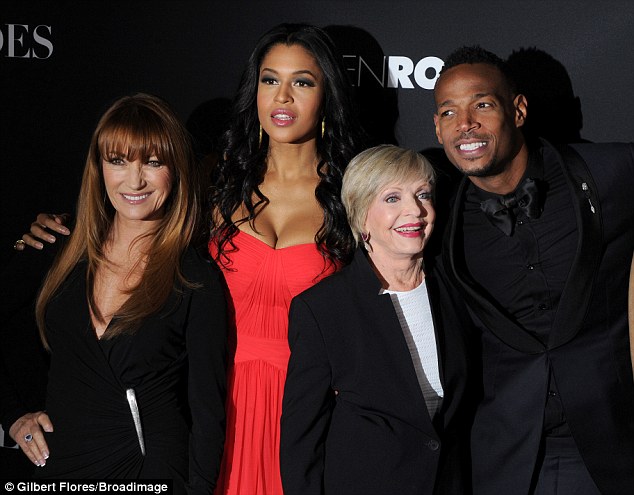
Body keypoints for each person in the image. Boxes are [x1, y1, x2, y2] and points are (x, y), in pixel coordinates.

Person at [433, 45, 634, 494]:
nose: (465, 124)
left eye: (482, 105)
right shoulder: (436, 220)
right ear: (437, 127)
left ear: (518, 110)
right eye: (449, 112)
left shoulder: (609, 173)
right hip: (505, 458)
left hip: (611, 447)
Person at [8, 94, 228, 493]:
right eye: (118, 161)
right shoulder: (59, 248)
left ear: (176, 170)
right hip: (61, 468)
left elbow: (209, 417)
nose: (135, 180)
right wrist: (15, 414)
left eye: (153, 162)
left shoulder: (195, 279)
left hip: (151, 469)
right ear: (99, 168)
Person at [208, 23, 363, 494]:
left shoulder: (353, 195)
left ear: (327, 96)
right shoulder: (217, 186)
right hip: (219, 405)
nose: (283, 97)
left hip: (309, 411)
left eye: (303, 82)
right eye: (270, 79)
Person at [280, 145, 474, 495]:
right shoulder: (324, 308)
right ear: (361, 216)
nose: (414, 211)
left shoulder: (456, 288)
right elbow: (302, 437)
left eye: (422, 195)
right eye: (392, 198)